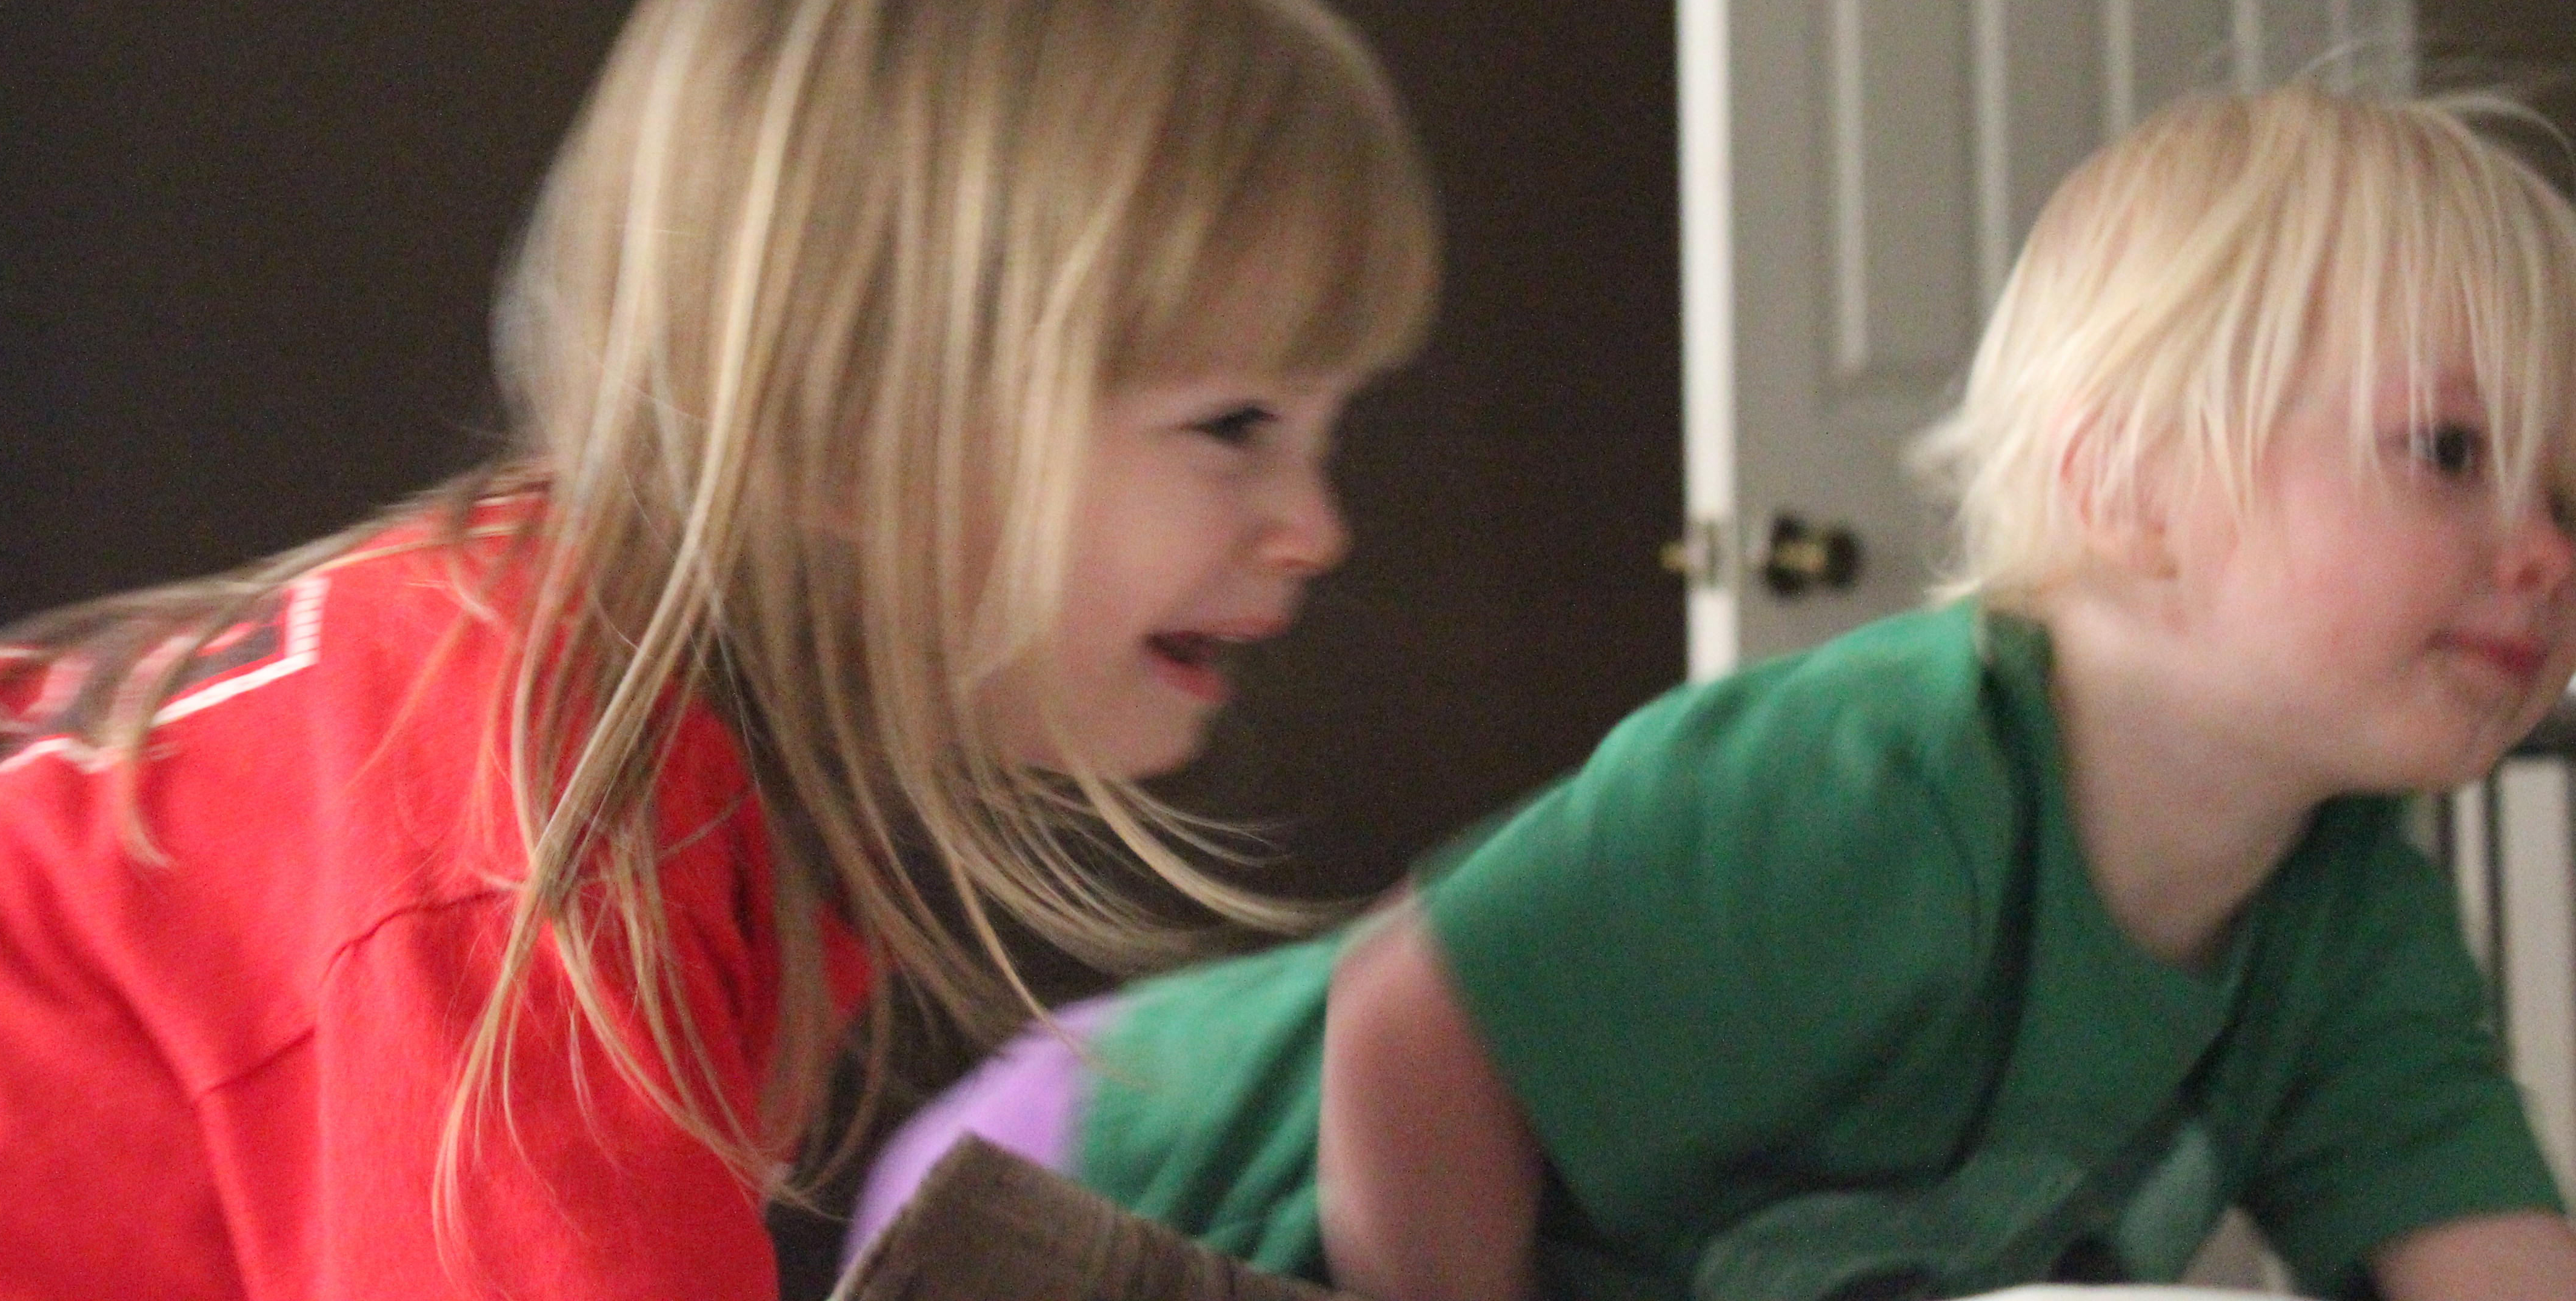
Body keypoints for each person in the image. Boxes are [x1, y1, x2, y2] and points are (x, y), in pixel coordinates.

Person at [0, 0, 1439, 1301]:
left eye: (1328, 425)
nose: (1317, 525)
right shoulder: (555, 846)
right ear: (853, 433)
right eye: (1234, 427)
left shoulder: (628, 736)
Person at [862, 83, 2576, 1301]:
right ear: (2131, 484)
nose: (2546, 552)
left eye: (2571, 493)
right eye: (2449, 452)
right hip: (1107, 1181)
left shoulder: (2351, 932)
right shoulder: (1884, 781)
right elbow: (1409, 1016)